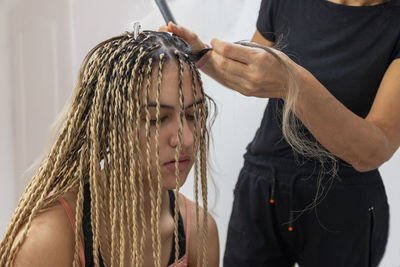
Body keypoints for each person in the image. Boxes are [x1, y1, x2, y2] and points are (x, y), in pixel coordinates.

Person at [160, 0, 400, 266]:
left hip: (345, 202)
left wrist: (293, 82)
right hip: (264, 185)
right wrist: (202, 54)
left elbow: (375, 149)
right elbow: (251, 76)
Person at [0, 30, 219, 267]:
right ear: (112, 125)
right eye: (157, 119)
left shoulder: (198, 231)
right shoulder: (48, 238)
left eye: (192, 115)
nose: (186, 139)